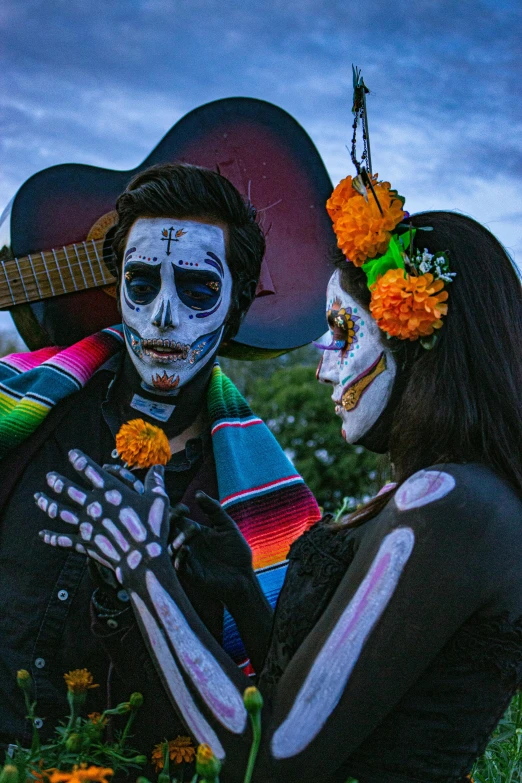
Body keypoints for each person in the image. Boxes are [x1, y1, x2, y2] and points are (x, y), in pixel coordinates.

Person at [36, 193, 522, 782]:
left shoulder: (447, 503)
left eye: (344, 331)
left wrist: (142, 565)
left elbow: (274, 760)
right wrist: (243, 587)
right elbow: (332, 701)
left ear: (412, 335)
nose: (324, 366)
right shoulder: (432, 497)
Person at [0, 162, 320, 760]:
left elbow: (283, 710)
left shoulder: (256, 507)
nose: (164, 316)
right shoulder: (22, 412)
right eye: (142, 284)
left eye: (198, 288)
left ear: (239, 303)